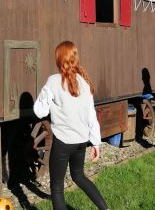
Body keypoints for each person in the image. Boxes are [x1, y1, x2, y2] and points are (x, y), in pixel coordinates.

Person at [33, 41, 109, 210]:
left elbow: (39, 111)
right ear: (75, 58)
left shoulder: (53, 81)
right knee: (79, 176)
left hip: (63, 143)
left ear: (59, 59)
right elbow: (91, 116)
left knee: (57, 188)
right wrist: (96, 143)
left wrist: (48, 100)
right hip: (81, 142)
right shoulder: (85, 82)